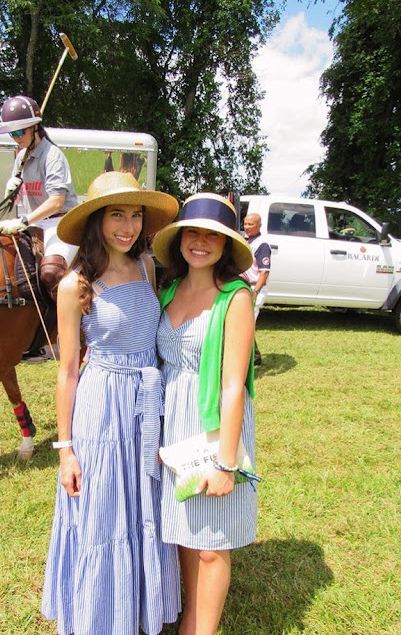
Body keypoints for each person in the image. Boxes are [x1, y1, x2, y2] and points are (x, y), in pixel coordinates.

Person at [41, 171, 181, 634]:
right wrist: (65, 450)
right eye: (117, 215)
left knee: (142, 503)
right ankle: (99, 615)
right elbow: (67, 371)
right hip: (102, 408)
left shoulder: (147, 267)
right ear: (97, 221)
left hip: (146, 402)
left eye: (136, 215)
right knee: (104, 511)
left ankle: (137, 607)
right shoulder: (75, 283)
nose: (128, 226)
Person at [153, 193, 258, 635]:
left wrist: (225, 463)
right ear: (179, 240)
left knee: (212, 543)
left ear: (226, 244)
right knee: (184, 531)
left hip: (213, 426)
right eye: (191, 232)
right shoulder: (168, 290)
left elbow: (233, 384)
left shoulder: (235, 298)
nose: (200, 242)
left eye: (212, 235)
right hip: (173, 423)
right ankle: (190, 619)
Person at [0, 95, 79, 303]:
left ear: (35, 128)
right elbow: (18, 200)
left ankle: (72, 320)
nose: (16, 138)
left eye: (20, 132)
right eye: (12, 133)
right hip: (35, 224)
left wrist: (23, 220)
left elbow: (57, 201)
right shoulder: (21, 158)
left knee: (51, 273)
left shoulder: (52, 155)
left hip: (60, 223)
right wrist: (11, 193)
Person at [242, 212, 271, 366]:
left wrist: (256, 292)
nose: (247, 227)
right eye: (245, 224)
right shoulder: (246, 241)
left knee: (247, 323)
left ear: (259, 225)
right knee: (244, 323)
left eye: (250, 224)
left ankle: (248, 359)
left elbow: (264, 272)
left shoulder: (262, 244)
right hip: (244, 286)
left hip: (254, 287)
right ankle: (255, 356)